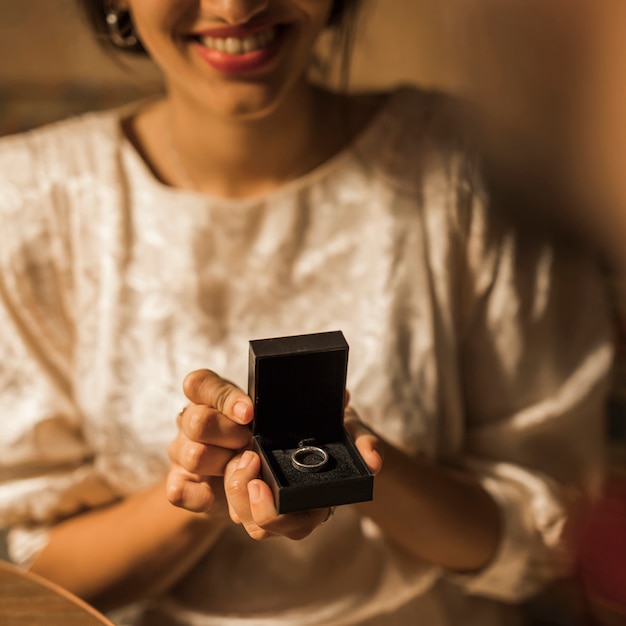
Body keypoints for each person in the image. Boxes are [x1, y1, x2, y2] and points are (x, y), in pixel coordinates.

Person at [0, 1, 614, 625]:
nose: (234, 5)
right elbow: (28, 582)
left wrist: (348, 460)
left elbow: (548, 533)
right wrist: (205, 492)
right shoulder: (27, 201)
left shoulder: (481, 172)